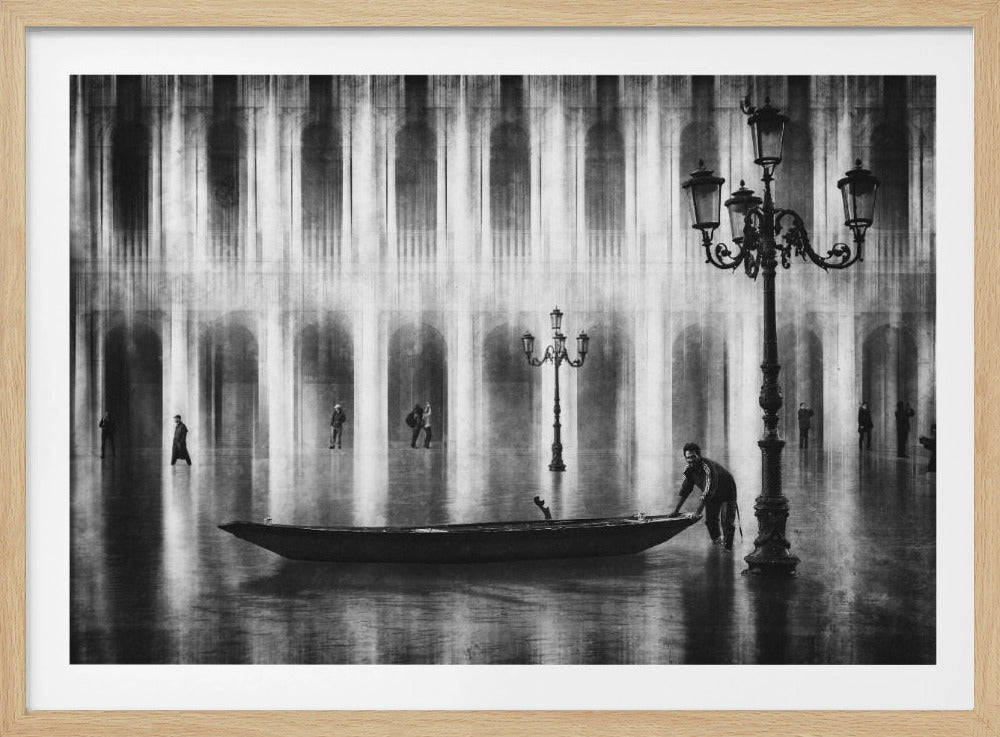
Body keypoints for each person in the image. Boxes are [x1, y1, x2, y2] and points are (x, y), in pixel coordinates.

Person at [671, 442, 739, 550]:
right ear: (685, 458)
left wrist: (697, 513)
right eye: (688, 458)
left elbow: (707, 491)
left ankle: (728, 548)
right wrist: (676, 511)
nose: (691, 460)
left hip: (727, 490)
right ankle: (717, 542)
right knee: (710, 521)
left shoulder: (707, 467)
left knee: (726, 523)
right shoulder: (688, 470)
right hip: (711, 494)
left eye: (693, 457)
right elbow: (685, 491)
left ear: (699, 456)